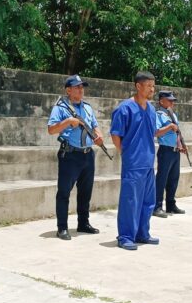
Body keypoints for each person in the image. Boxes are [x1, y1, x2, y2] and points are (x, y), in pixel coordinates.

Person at [47, 75, 103, 240]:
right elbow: (51, 129)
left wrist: (99, 136)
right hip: (70, 154)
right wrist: (68, 122)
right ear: (68, 90)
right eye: (77, 87)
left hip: (87, 154)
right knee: (64, 192)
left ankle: (83, 223)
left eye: (82, 87)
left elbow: (95, 126)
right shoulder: (61, 108)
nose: (81, 89)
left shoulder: (87, 107)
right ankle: (62, 227)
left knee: (86, 192)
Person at [110, 71, 159, 250]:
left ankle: (142, 233)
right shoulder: (124, 108)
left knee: (148, 201)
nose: (152, 89)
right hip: (133, 162)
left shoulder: (152, 109)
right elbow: (116, 135)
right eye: (148, 86)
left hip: (148, 162)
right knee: (130, 200)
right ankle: (125, 237)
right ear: (138, 86)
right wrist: (126, 153)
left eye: (153, 86)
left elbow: (151, 132)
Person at [153, 90, 186, 218]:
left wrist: (181, 145)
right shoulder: (159, 115)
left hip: (175, 150)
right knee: (162, 179)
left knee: (173, 179)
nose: (172, 102)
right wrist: (169, 127)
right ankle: (157, 206)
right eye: (169, 100)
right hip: (165, 150)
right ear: (161, 101)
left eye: (173, 100)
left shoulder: (172, 114)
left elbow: (177, 132)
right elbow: (156, 132)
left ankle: (171, 205)